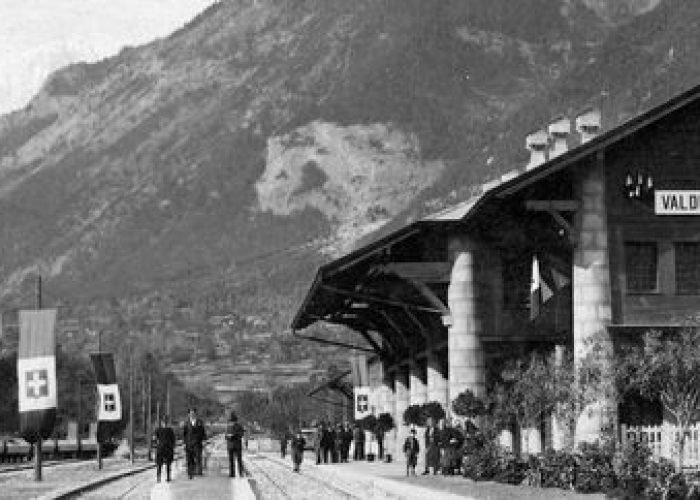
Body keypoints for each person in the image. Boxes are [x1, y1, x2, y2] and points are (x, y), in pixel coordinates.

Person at [183, 407, 206, 479]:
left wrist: (203, 440)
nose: (192, 414)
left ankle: (199, 471)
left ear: (195, 414)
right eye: (190, 413)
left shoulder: (200, 422)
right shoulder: (186, 423)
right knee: (190, 458)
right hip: (189, 443)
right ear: (189, 414)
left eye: (193, 413)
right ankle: (190, 471)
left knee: (198, 457)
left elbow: (203, 432)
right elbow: (184, 433)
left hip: (198, 443)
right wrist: (185, 442)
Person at [154, 415, 175, 483]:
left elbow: (173, 439)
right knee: (160, 464)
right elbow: (155, 439)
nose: (165, 423)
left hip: (164, 448)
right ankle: (160, 477)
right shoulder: (159, 430)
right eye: (164, 421)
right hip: (163, 448)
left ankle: (166, 477)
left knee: (166, 464)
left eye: (165, 421)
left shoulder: (169, 430)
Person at [225, 411, 245, 478]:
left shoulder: (239, 426)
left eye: (232, 421)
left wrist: (234, 435)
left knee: (239, 460)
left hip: (237, 445)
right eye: (231, 421)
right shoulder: (228, 427)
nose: (232, 422)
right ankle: (232, 473)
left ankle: (240, 473)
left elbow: (241, 434)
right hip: (230, 445)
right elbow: (225, 436)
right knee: (231, 461)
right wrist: (228, 436)